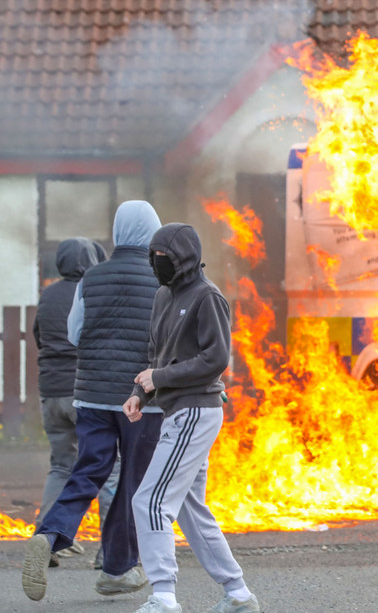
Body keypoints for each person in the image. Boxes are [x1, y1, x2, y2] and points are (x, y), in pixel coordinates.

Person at [22, 201, 164, 601]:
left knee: (86, 472)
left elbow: (73, 334)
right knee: (133, 482)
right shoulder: (160, 279)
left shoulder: (92, 277)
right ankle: (117, 569)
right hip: (143, 403)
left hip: (91, 398)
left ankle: (50, 535)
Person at [124, 223, 259, 613]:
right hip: (177, 410)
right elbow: (156, 354)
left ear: (183, 257)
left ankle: (164, 597)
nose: (155, 264)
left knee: (149, 501)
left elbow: (216, 359)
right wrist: (139, 392)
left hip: (196, 411)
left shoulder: (207, 297)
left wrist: (159, 379)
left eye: (162, 258)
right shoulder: (163, 296)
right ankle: (237, 594)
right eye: (152, 257)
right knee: (187, 507)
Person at [32, 238, 100, 565]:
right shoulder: (89, 290)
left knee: (60, 466)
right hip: (82, 392)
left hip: (50, 393)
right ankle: (112, 551)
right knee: (109, 466)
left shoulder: (46, 295)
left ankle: (43, 539)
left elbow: (39, 338)